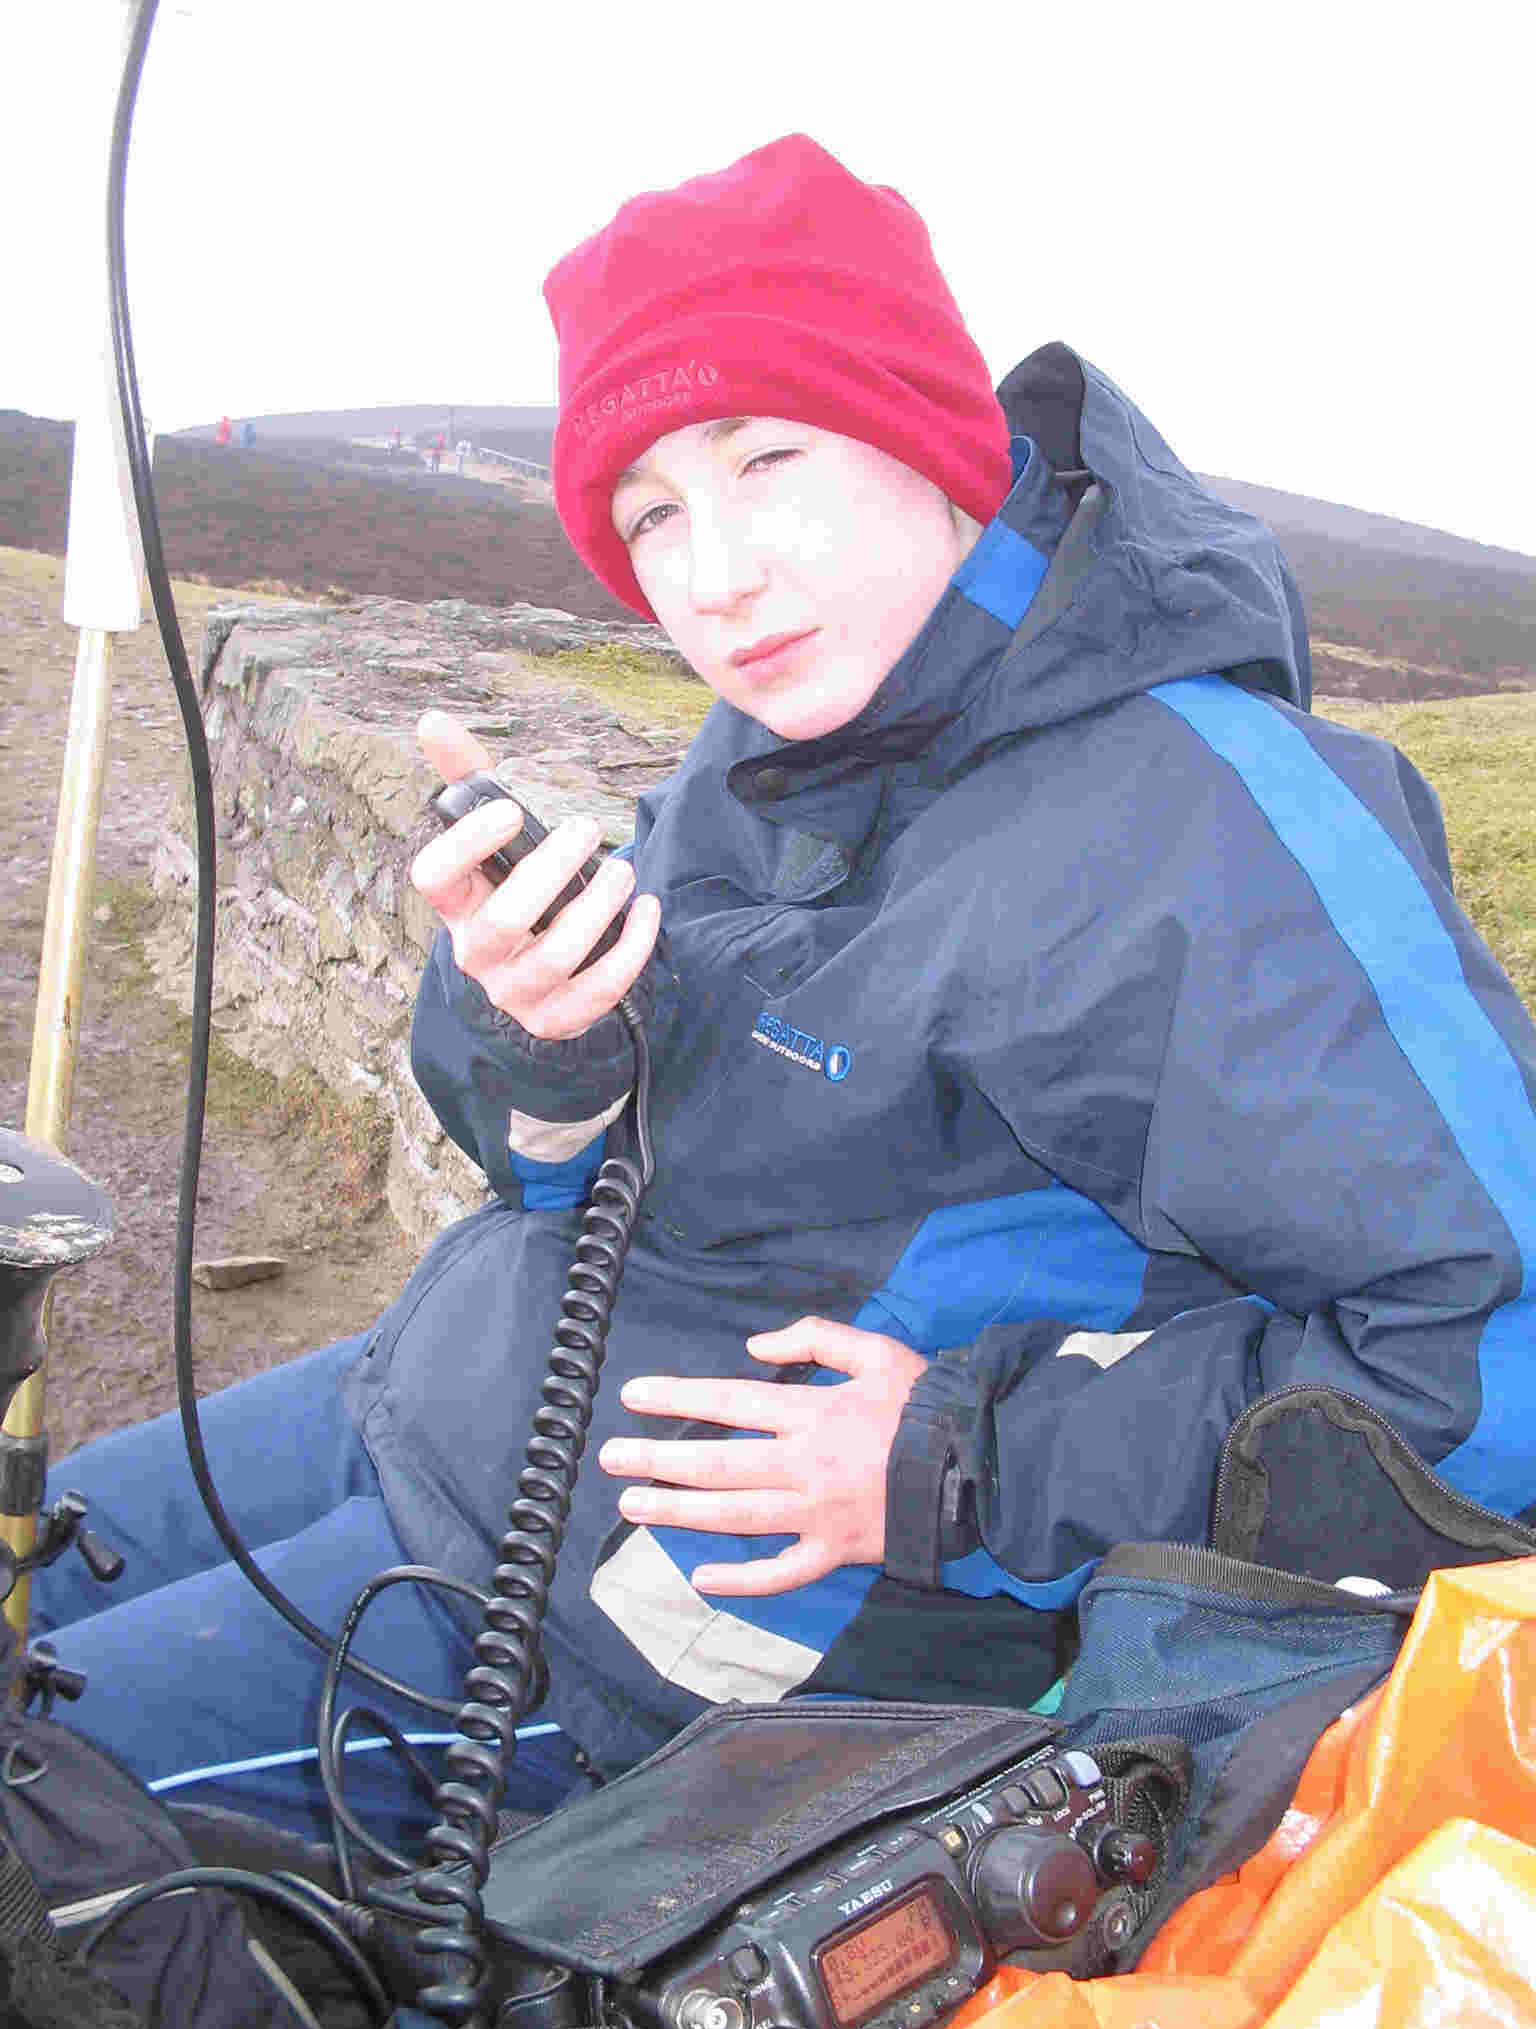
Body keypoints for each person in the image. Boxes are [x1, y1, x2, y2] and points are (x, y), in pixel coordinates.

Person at [31, 135, 1536, 1854]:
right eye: (654, 511)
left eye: (772, 460)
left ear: (934, 446)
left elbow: (1498, 1370)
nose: (715, 575)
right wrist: (548, 1027)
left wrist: (968, 1463)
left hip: (661, 1641)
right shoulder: (790, 726)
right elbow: (585, 1176)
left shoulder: (1210, 828)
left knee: (42, 1825)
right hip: (438, 1393)